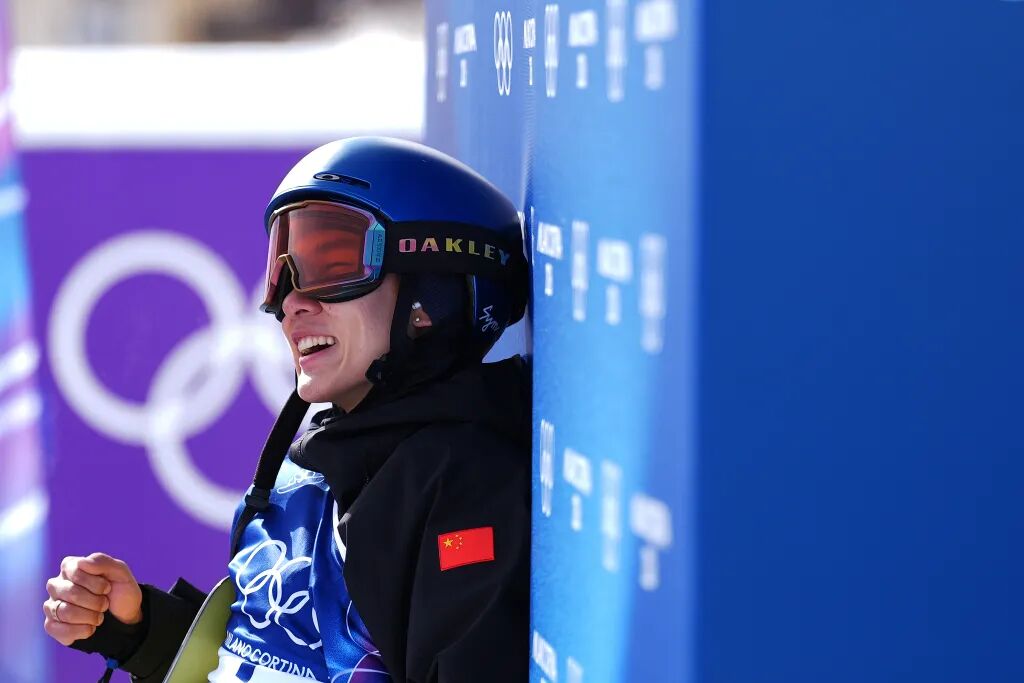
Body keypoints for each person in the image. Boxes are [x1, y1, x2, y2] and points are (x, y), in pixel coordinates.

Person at [42, 137, 532, 682]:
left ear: (430, 299)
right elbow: (276, 658)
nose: (292, 301)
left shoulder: (461, 484)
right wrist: (141, 632)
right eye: (283, 271)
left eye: (332, 263)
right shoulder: (310, 469)